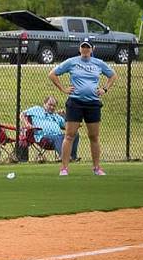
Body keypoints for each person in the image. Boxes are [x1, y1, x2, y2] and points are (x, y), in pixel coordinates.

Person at [49, 39, 116, 177]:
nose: (85, 50)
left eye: (88, 47)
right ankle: (64, 168)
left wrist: (104, 89)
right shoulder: (72, 62)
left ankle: (97, 168)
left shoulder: (98, 63)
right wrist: (63, 89)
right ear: (79, 49)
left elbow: (113, 75)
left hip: (93, 104)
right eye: (83, 47)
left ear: (92, 49)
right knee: (69, 135)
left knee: (94, 136)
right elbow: (52, 74)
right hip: (75, 103)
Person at [23, 96, 79, 161]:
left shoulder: (56, 116)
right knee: (58, 137)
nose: (52, 107)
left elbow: (68, 127)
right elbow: (22, 114)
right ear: (44, 104)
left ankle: (72, 157)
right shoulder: (37, 109)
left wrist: (65, 116)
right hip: (43, 137)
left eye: (54, 106)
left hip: (58, 136)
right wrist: (27, 124)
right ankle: (64, 157)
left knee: (75, 133)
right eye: (50, 105)